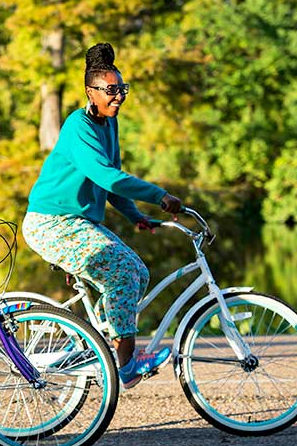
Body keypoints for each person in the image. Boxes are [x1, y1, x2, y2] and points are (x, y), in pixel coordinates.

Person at [22, 43, 184, 388]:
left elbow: (111, 183)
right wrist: (160, 196)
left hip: (79, 223)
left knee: (138, 271)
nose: (119, 97)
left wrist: (135, 215)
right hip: (51, 223)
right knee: (123, 272)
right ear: (90, 92)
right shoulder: (78, 126)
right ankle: (124, 365)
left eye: (122, 89)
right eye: (111, 90)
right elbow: (107, 177)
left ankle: (108, 347)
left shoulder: (109, 124)